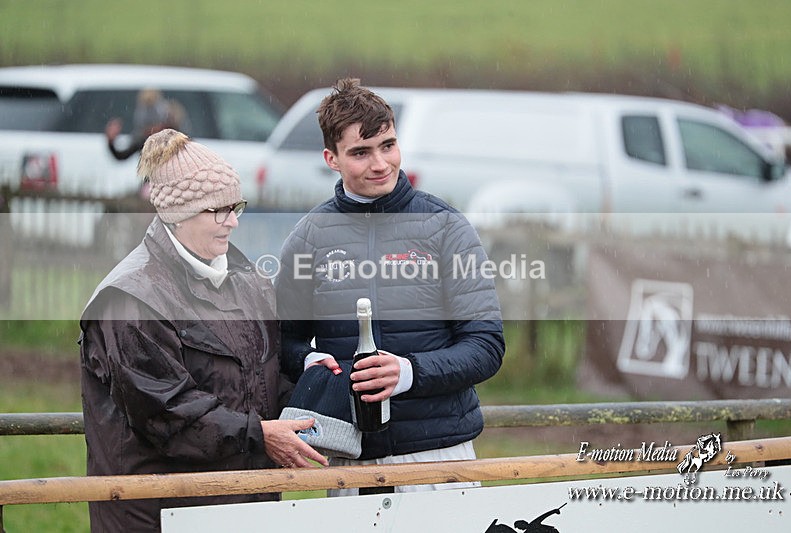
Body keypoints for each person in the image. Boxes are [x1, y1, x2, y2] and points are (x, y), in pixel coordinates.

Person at [79, 128, 328, 532]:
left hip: (244, 507)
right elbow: (168, 413)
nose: (232, 222)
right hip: (157, 514)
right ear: (178, 214)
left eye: (236, 207)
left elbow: (262, 382)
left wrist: (319, 388)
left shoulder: (248, 280)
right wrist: (260, 436)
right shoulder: (130, 299)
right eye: (218, 210)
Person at [276, 78, 505, 495]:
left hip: (437, 456)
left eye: (388, 145)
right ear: (332, 158)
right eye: (361, 153)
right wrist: (310, 363)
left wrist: (409, 372)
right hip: (348, 460)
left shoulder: (446, 227)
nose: (380, 163)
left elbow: (486, 346)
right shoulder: (308, 236)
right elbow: (282, 344)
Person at [105, 88, 176, 161]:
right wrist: (111, 141)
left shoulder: (174, 139)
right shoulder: (141, 139)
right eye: (148, 127)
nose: (152, 130)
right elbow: (121, 155)